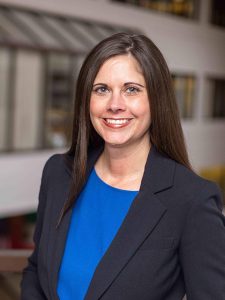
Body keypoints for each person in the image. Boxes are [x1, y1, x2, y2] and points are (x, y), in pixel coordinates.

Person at [21, 33, 225, 300]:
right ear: (87, 100)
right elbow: (37, 270)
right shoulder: (59, 174)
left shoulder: (191, 200)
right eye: (102, 89)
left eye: (132, 89)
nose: (115, 105)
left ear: (156, 100)